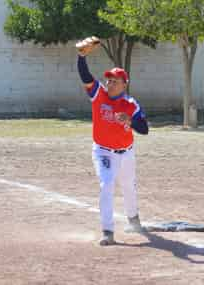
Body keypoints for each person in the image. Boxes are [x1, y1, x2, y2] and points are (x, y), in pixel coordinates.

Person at [76, 36, 149, 246]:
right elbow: (85, 75)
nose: (109, 83)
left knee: (128, 186)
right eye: (108, 79)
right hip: (103, 151)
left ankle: (134, 220)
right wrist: (81, 56)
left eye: (114, 80)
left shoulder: (131, 104)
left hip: (126, 152)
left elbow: (144, 129)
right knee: (107, 184)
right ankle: (108, 231)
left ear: (125, 84)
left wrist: (130, 121)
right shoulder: (99, 94)